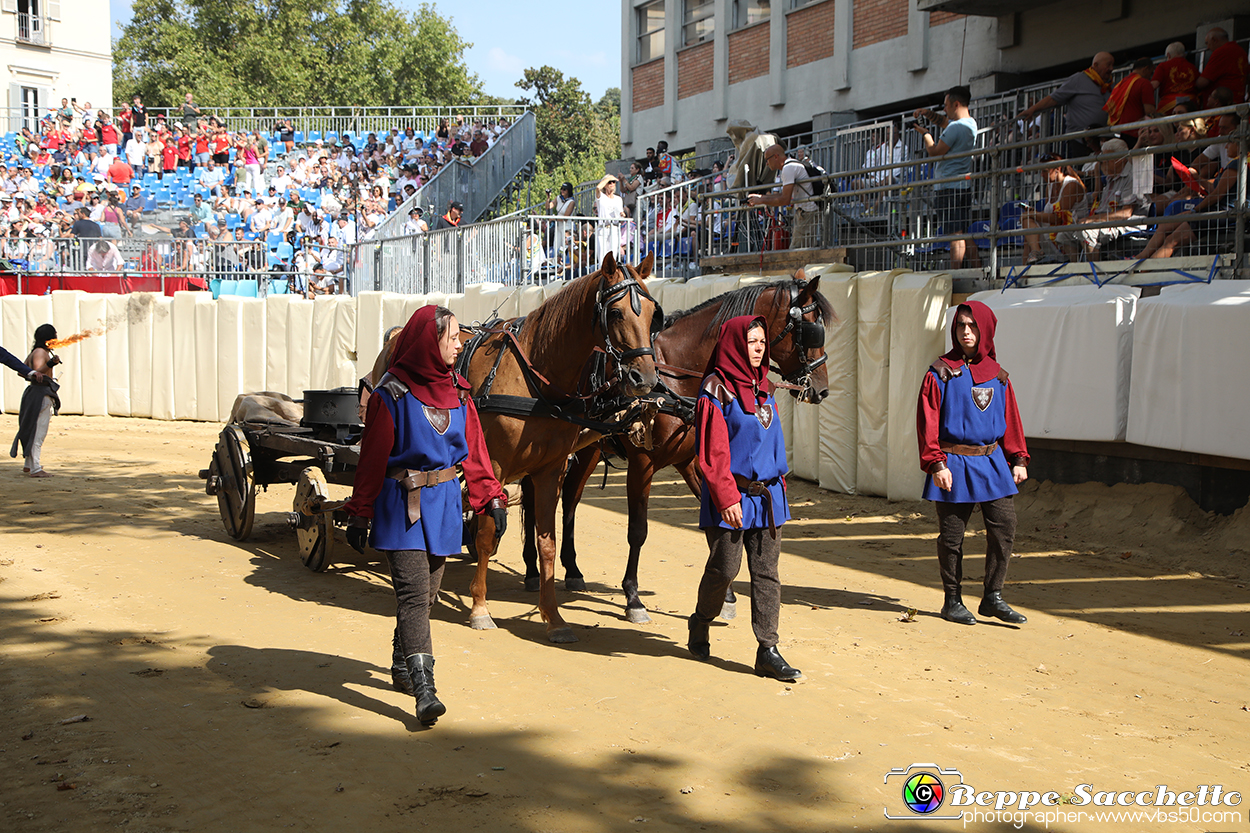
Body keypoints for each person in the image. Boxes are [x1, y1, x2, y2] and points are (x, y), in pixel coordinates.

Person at [344, 305, 507, 726]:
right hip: (403, 506)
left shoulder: (460, 392)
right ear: (428, 341)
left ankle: (402, 662)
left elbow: (475, 453)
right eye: (452, 337)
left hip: (446, 508)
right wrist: (360, 511)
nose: (459, 344)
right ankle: (425, 689)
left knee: (429, 595)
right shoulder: (390, 395)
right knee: (415, 596)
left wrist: (490, 496)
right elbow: (373, 460)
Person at [686, 315, 801, 682]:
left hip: (767, 498)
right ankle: (701, 621)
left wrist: (780, 489)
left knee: (767, 574)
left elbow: (773, 443)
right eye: (752, 341)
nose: (758, 348)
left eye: (762, 343)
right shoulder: (715, 390)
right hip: (732, 496)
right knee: (725, 569)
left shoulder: (766, 387)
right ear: (735, 343)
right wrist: (725, 497)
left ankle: (768, 649)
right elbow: (712, 450)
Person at [916, 302, 1029, 626]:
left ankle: (993, 597)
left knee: (1004, 528)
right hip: (954, 461)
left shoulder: (999, 376)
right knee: (952, 537)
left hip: (992, 462)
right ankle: (952, 600)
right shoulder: (940, 373)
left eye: (972, 326)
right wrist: (937, 464)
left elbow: (1011, 420)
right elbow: (929, 422)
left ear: (986, 330)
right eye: (961, 325)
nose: (966, 332)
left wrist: (1017, 457)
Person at [1138, 126, 1248, 259]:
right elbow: (1217, 189)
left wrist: (1195, 211)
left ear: (1239, 145)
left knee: (1171, 241)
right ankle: (1139, 259)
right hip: (1217, 210)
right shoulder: (1237, 164)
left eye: (1229, 143)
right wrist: (1197, 179)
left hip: (1220, 213)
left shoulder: (1236, 165)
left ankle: (1144, 269)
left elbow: (1216, 195)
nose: (1226, 147)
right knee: (1165, 227)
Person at [913, 85, 980, 268]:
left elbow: (935, 151)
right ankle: (978, 269)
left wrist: (926, 134)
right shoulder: (970, 123)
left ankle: (955, 276)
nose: (944, 109)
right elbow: (944, 122)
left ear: (956, 104)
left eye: (946, 105)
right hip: (962, 186)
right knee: (964, 234)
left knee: (955, 236)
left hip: (948, 188)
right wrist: (927, 113)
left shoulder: (956, 128)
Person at [1056, 138, 1146, 260]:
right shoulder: (1110, 178)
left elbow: (1126, 213)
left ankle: (1093, 273)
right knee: (1063, 235)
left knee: (1086, 231)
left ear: (1119, 159)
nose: (1103, 162)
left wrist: (1092, 219)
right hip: (1103, 221)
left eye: (1106, 159)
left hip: (1125, 224)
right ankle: (1078, 271)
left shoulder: (1132, 177)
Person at [1019, 52, 1115, 160]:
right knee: (1083, 171)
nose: (1111, 68)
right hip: (1080, 140)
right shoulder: (1078, 79)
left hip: (1103, 139)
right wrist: (1033, 109)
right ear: (1096, 65)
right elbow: (1053, 98)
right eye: (1108, 64)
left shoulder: (1110, 85)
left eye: (1112, 65)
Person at [9, 324, 61, 477]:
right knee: (38, 432)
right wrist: (50, 364)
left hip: (35, 393)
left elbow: (22, 371)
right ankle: (36, 468)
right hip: (40, 394)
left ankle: (28, 465)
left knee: (31, 428)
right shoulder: (40, 352)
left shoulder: (36, 351)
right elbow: (37, 372)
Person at [747, 143, 819, 249]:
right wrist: (760, 198)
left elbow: (785, 199)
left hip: (807, 212)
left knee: (796, 252)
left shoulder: (788, 168)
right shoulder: (790, 165)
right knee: (805, 251)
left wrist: (761, 200)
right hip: (806, 212)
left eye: (767, 159)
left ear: (776, 156)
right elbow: (783, 195)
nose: (766, 164)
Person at [1020, 154, 1086, 264]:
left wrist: (1035, 214)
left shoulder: (1071, 185)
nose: (1042, 175)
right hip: (1053, 230)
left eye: (1045, 171)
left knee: (1028, 219)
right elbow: (1049, 215)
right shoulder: (1049, 187)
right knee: (1027, 223)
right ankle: (1030, 261)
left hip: (1070, 233)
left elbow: (1059, 219)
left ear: (1057, 169)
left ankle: (1033, 257)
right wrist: (1034, 214)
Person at [1194, 27, 1249, 107]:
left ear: (1214, 40)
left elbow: (1202, 82)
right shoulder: (1241, 51)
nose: (1208, 48)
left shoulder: (1221, 52)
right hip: (1238, 101)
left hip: (1221, 105)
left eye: (1207, 43)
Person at [1104, 58, 1157, 138]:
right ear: (1146, 69)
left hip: (1118, 132)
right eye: (1151, 72)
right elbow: (1150, 111)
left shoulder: (1120, 84)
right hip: (1136, 133)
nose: (1151, 76)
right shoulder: (1144, 83)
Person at [1152, 42, 1198, 114]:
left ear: (1168, 55)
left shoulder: (1163, 66)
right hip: (1191, 102)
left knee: (1158, 121)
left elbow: (1154, 85)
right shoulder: (1192, 67)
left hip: (1168, 104)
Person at [594, 174, 624, 262]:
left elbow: (620, 213)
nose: (612, 184)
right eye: (609, 182)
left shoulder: (618, 199)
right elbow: (597, 188)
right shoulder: (601, 197)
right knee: (602, 256)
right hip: (603, 228)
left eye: (613, 182)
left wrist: (622, 215)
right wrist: (607, 179)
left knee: (613, 255)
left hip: (614, 228)